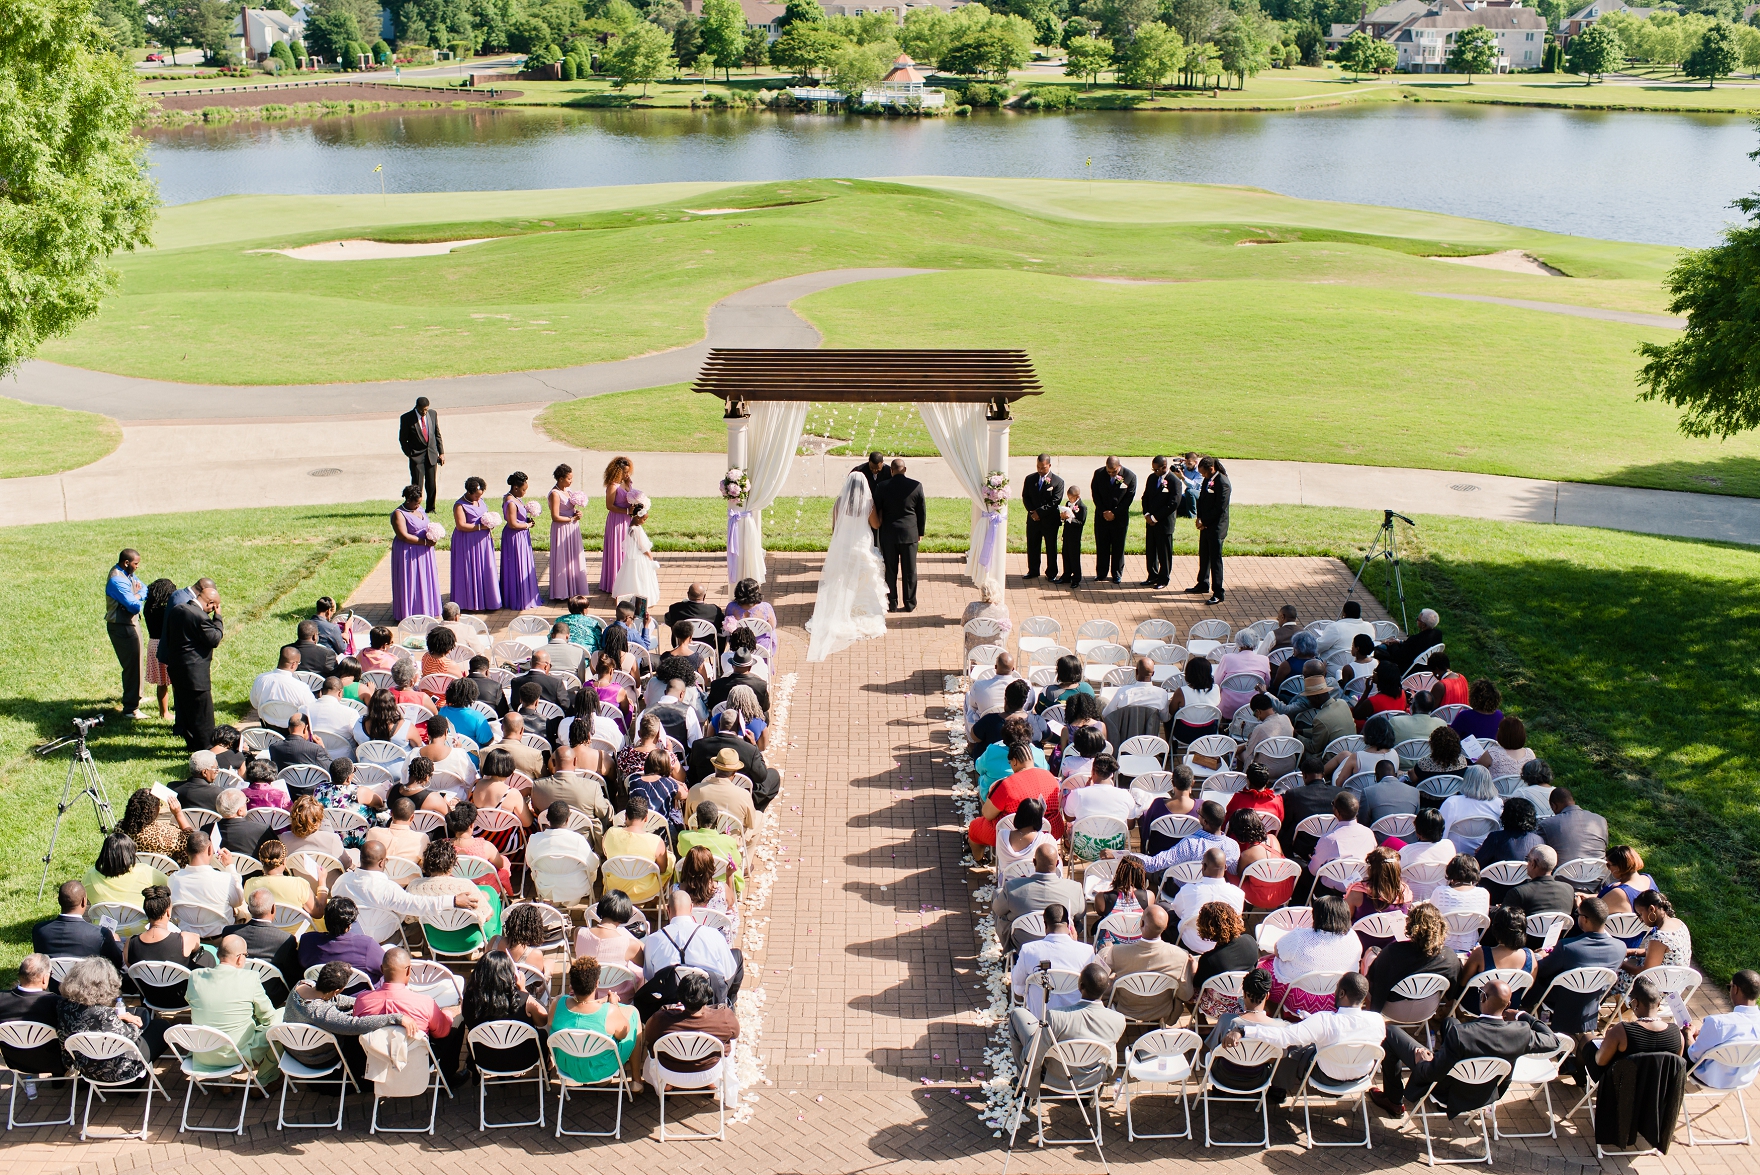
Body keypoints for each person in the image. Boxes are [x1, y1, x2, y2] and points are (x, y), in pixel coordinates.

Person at [1372, 977, 1558, 1117]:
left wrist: (1423, 1062)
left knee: (1391, 1033)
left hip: (1448, 1092)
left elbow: (1432, 1073)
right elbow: (1553, 1041)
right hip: (1485, 1092)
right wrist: (1523, 1015)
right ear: (1508, 1004)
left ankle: (1393, 1100)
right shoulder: (1521, 1033)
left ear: (1483, 998)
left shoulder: (1462, 1035)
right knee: (1450, 1021)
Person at [1223, 971, 1385, 1097]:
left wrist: (1245, 1030)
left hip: (1326, 1076)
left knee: (1295, 1045)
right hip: (1361, 1077)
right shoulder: (1378, 1021)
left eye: (1336, 990)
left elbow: (1284, 1037)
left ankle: (1279, 1088)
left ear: (1342, 993)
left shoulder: (1324, 1020)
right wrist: (1311, 1022)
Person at [1009, 962, 1127, 1096]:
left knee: (1017, 1015)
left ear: (1080, 986)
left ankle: (1026, 1086)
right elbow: (1110, 1060)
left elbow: (1033, 1056)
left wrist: (1031, 1089)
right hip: (1093, 1078)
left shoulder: (1056, 1017)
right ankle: (1090, 1092)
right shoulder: (1118, 1020)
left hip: (1055, 1077)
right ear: (1107, 987)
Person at [56, 958, 171, 1087]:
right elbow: (131, 1035)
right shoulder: (104, 1015)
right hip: (118, 1071)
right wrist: (132, 1021)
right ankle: (136, 1081)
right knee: (160, 1027)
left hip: (86, 1067)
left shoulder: (63, 1007)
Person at [353, 946, 465, 1077]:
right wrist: (447, 1013)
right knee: (457, 1019)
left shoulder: (362, 1000)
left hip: (378, 1061)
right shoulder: (424, 1002)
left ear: (382, 970)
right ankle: (449, 1078)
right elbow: (442, 1033)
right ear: (408, 971)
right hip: (418, 1061)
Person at [1523, 898, 1627, 1036]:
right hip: (1593, 999)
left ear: (1584, 919)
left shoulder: (1567, 946)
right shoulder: (1620, 947)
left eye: (1578, 914)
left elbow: (1542, 970)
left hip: (1560, 1000)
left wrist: (1538, 956)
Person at [186, 934, 282, 1083]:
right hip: (236, 1054)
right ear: (239, 957)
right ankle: (264, 1079)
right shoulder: (250, 978)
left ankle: (224, 1082)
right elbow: (269, 1018)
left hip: (202, 1053)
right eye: (245, 955)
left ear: (218, 954)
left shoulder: (195, 977)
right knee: (284, 1019)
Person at [640, 890, 744, 1010]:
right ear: (691, 908)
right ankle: (728, 1004)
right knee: (737, 955)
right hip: (708, 997)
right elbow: (728, 972)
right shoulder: (713, 935)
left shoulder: (653, 939)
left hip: (670, 998)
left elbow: (650, 975)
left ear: (668, 909)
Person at [1261, 894, 1360, 1019]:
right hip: (1336, 1000)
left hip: (1299, 1001)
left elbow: (1277, 951)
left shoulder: (1300, 936)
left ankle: (1274, 1014)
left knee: (1262, 970)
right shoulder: (1353, 938)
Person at [634, 970, 738, 1088]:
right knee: (730, 1040)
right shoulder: (723, 1017)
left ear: (680, 997)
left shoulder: (661, 1019)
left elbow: (649, 1036)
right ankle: (711, 1084)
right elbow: (735, 1034)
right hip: (709, 1072)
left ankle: (667, 1086)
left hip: (670, 1072)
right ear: (707, 996)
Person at [550, 957, 640, 1086]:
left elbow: (551, 1023)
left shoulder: (557, 1002)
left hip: (567, 1066)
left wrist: (600, 1001)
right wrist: (614, 1005)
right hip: (601, 1069)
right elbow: (623, 1034)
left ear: (571, 985)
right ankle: (636, 1081)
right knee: (634, 1014)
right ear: (597, 983)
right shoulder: (610, 1012)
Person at [159, 577, 224, 750]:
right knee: (203, 715)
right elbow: (215, 638)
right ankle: (206, 748)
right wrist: (218, 618)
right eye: (213, 607)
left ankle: (191, 745)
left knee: (186, 711)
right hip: (195, 675)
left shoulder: (178, 609)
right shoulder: (200, 616)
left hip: (177, 669)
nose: (212, 611)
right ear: (210, 603)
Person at [1365, 903, 1458, 1012]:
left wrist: (1374, 1013)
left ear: (1410, 925)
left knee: (1371, 954)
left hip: (1393, 1009)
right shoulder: (1449, 957)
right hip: (1427, 1008)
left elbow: (1376, 986)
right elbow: (1453, 993)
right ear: (1441, 927)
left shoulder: (1392, 953)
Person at [970, 742, 1062, 850]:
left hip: (1011, 836)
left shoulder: (1007, 785)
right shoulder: (1051, 778)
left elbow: (988, 814)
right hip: (1050, 832)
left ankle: (980, 860)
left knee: (974, 827)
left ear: (1015, 761)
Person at [1011, 903, 1096, 1017]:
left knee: (1022, 986)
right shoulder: (1087, 951)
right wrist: (1075, 944)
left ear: (1045, 925)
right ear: (1069, 926)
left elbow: (1017, 982)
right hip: (1074, 1017)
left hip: (1041, 1016)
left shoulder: (1028, 950)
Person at [992, 843, 1084, 947]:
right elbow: (1080, 914)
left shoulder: (1012, 887)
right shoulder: (1075, 888)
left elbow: (998, 910)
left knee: (998, 898)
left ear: (1034, 862)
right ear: (1057, 863)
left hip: (1023, 942)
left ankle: (1008, 953)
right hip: (1061, 942)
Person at [1688, 970, 1760, 1092]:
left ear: (1735, 989)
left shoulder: (1717, 1023)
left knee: (1676, 1038)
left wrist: (1688, 1035)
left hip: (1709, 1078)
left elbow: (1694, 1055)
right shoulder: (1721, 1025)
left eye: (1729, 987)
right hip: (1744, 1078)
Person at [1190, 902, 1261, 1018]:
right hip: (1247, 1001)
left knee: (1188, 991)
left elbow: (1198, 984)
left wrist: (1192, 967)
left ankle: (1201, 1025)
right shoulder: (1251, 941)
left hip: (1223, 1009)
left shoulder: (1209, 959)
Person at [874, 458, 927, 612]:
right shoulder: (916, 486)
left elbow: (877, 508)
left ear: (891, 470)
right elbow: (921, 511)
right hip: (909, 533)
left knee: (890, 570)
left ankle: (892, 603)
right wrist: (920, 531)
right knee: (910, 570)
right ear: (905, 469)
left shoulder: (882, 486)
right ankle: (910, 603)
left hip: (889, 534)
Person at [1617, 889, 1693, 994]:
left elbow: (1645, 972)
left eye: (1640, 914)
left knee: (1612, 976)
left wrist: (1620, 964)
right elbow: (1662, 953)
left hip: (1657, 991)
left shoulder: (1660, 937)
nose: (1641, 919)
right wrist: (1631, 951)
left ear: (1651, 909)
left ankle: (1623, 1006)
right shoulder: (1679, 924)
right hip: (1674, 986)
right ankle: (1625, 1007)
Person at [34, 880, 124, 967]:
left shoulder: (39, 930)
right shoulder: (100, 934)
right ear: (84, 901)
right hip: (87, 982)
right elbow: (118, 962)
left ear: (59, 901)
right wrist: (116, 942)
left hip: (52, 981)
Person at [1171, 847, 1245, 952]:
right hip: (1224, 946)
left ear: (1204, 866)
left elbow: (1179, 912)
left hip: (1192, 944)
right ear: (1225, 867)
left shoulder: (1187, 890)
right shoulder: (1238, 893)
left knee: (1170, 915)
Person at [449, 476, 502, 612]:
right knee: (470, 569)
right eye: (477, 496)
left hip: (483, 541)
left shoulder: (481, 501)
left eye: (481, 495)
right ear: (469, 492)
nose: (479, 498)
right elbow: (460, 525)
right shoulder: (460, 505)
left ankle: (488, 600)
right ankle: (470, 603)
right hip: (467, 542)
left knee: (485, 568)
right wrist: (481, 528)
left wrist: (491, 523)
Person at [1182, 456, 1230, 604]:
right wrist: (1199, 518)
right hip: (1205, 525)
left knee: (1215, 560)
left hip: (1216, 527)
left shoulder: (1223, 483)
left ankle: (1218, 592)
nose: (1202, 475)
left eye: (1204, 473)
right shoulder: (1207, 480)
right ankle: (1203, 583)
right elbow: (1201, 500)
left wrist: (1205, 521)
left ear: (1211, 469)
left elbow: (1219, 508)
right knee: (1204, 555)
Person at [124, 884, 208, 969]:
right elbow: (197, 944)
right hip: (180, 982)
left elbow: (131, 968)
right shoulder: (184, 940)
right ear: (168, 912)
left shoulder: (130, 944)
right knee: (208, 957)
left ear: (146, 911)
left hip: (143, 982)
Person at [390, 485, 442, 623]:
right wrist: (424, 542)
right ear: (408, 500)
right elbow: (403, 536)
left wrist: (433, 534)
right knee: (410, 580)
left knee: (425, 578)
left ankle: (427, 609)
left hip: (424, 551)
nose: (419, 505)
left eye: (420, 502)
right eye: (416, 502)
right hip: (408, 552)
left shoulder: (419, 509)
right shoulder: (399, 514)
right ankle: (410, 612)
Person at [106, 548, 147, 718]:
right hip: (123, 626)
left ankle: (136, 698)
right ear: (127, 562)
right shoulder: (118, 579)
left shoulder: (127, 574)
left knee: (138, 663)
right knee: (133, 667)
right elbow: (134, 606)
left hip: (130, 623)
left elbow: (145, 588)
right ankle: (131, 708)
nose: (138, 567)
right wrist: (136, 595)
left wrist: (137, 594)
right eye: (136, 563)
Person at [84, 832, 169, 911]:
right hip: (141, 925)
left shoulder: (90, 875)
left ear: (104, 853)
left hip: (102, 926)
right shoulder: (146, 872)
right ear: (130, 853)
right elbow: (171, 884)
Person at [494, 471, 542, 611]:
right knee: (517, 566)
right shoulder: (510, 502)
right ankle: (518, 598)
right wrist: (527, 525)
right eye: (523, 490)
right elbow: (512, 524)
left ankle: (524, 595)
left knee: (523, 564)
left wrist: (526, 519)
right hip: (514, 538)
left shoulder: (515, 498)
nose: (525, 492)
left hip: (521, 536)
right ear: (515, 488)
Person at [1310, 790, 1376, 890]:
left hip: (1334, 889)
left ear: (1337, 812)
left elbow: (1313, 870)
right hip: (1361, 885)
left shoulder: (1328, 839)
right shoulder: (1369, 833)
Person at [170, 829, 246, 917]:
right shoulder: (226, 880)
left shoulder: (173, 879)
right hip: (221, 930)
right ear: (210, 849)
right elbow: (239, 901)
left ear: (186, 852)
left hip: (185, 929)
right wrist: (230, 866)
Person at [1088, 456, 1137, 584]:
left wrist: (1115, 513)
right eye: (1108, 471)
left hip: (1119, 518)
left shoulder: (1130, 476)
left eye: (1113, 472)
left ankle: (1117, 573)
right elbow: (1095, 493)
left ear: (1119, 467)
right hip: (1102, 516)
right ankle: (1101, 573)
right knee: (1102, 545)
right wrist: (1104, 511)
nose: (1111, 474)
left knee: (1118, 546)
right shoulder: (1099, 474)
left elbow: (1128, 499)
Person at [1430, 854, 1492, 952]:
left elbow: (1431, 918)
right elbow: (1482, 923)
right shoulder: (1484, 893)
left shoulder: (1440, 892)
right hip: (1470, 945)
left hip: (1442, 944)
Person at [1504, 845, 1577, 925]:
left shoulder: (1518, 893)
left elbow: (1505, 922)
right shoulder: (1569, 889)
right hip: (1559, 937)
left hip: (1528, 937)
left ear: (1533, 864)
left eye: (1527, 859)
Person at [1439, 765, 1504, 854]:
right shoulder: (1497, 803)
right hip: (1484, 855)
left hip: (1454, 854)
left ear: (1466, 780)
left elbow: (1440, 834)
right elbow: (1500, 831)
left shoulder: (1452, 802)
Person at [139, 577, 177, 721]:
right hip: (166, 645)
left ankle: (163, 712)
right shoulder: (166, 610)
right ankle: (174, 710)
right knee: (174, 681)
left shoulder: (148, 608)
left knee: (162, 682)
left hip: (153, 644)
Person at [1021, 453, 1064, 581]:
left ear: (1049, 465)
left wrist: (1039, 512)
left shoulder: (1058, 482)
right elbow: (1025, 497)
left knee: (1050, 546)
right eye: (1038, 467)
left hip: (1049, 520)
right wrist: (1032, 512)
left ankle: (1051, 572)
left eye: (1043, 468)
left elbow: (1055, 501)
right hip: (1033, 519)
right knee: (1033, 545)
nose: (1040, 470)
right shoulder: (1030, 479)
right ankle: (1033, 570)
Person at [1137, 455, 1178, 587]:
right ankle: (1152, 575)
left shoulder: (1174, 481)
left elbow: (1173, 504)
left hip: (1164, 523)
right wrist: (1147, 514)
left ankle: (1163, 578)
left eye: (1156, 469)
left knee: (1164, 553)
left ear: (1164, 467)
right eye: (1153, 469)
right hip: (1151, 521)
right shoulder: (1152, 478)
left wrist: (1155, 517)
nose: (1154, 472)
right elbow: (1145, 497)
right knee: (1151, 550)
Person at [1475, 797, 1545, 874]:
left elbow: (1477, 865)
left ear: (1506, 816)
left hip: (1493, 885)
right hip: (1527, 884)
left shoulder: (1495, 838)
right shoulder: (1539, 840)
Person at [598, 456, 636, 595]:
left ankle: (626, 580)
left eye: (628, 472)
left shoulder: (627, 482)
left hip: (627, 520)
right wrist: (627, 511)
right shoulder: (612, 486)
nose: (627, 475)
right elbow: (609, 506)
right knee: (617, 550)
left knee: (627, 550)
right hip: (616, 522)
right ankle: (614, 582)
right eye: (624, 472)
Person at [613, 495, 661, 605]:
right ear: (638, 517)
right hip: (640, 557)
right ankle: (640, 597)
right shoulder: (635, 529)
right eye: (644, 519)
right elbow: (641, 545)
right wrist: (649, 555)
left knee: (631, 575)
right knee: (640, 577)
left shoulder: (632, 526)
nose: (644, 521)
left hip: (632, 558)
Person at [398, 396, 444, 512]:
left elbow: (437, 434)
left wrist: (441, 452)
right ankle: (415, 508)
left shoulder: (433, 414)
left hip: (432, 455)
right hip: (417, 457)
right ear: (417, 407)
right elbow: (403, 439)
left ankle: (431, 508)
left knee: (432, 485)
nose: (424, 412)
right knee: (417, 486)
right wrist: (410, 454)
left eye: (426, 409)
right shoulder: (407, 418)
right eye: (422, 410)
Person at [1541, 786, 1608, 865]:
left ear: (1554, 806)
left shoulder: (1547, 824)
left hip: (1563, 875)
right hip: (1598, 873)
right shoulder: (1600, 820)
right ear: (1573, 801)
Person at [1345, 846, 1412, 921]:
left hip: (1359, 933)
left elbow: (1344, 920)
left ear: (1371, 869)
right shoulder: (1406, 893)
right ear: (1397, 870)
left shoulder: (1356, 893)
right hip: (1394, 933)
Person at [1375, 608, 1443, 678]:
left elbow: (1398, 657)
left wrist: (1393, 644)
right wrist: (1399, 642)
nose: (1416, 620)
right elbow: (1410, 646)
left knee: (1379, 650)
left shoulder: (1415, 639)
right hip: (1425, 667)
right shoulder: (1437, 634)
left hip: (1409, 669)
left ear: (1423, 625)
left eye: (1418, 619)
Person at [212, 788, 275, 860]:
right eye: (246, 802)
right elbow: (277, 855)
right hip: (254, 870)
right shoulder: (262, 830)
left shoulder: (208, 830)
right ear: (240, 811)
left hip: (218, 870)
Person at [961, 580, 1012, 651]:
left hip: (974, 649)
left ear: (982, 592)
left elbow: (963, 623)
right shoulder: (1003, 609)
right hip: (995, 649)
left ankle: (973, 662)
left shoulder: (972, 607)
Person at [1451, 679, 1505, 744]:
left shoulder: (1465, 716)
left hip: (1467, 753)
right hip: (1490, 751)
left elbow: (1451, 737)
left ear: (1473, 697)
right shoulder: (1499, 715)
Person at [1055, 483, 1086, 588]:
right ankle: (1066, 575)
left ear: (1077, 497)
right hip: (1067, 534)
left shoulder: (1082, 507)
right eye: (1069, 498)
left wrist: (1070, 518)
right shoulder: (1068, 504)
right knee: (1066, 555)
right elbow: (1064, 518)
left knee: (1074, 557)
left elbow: (1081, 522)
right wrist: (1062, 517)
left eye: (1071, 498)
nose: (1070, 499)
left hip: (1075, 536)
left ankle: (1076, 578)